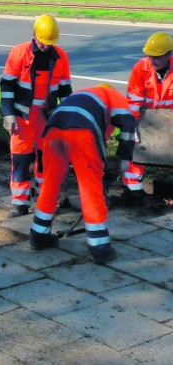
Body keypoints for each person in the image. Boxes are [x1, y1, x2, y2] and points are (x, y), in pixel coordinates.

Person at [29, 84, 137, 264]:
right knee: (90, 187)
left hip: (53, 130)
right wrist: (124, 159)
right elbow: (128, 124)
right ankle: (100, 247)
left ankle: (38, 235)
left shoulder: (84, 95)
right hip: (81, 133)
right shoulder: (113, 96)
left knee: (50, 183)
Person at [0, 14, 73, 216]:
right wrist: (8, 114)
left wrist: (67, 116)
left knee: (47, 158)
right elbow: (7, 85)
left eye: (50, 43)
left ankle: (45, 198)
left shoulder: (61, 56)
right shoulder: (19, 52)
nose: (45, 46)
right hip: (23, 115)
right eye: (43, 42)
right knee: (21, 158)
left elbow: (65, 89)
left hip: (47, 116)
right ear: (35, 36)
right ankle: (20, 202)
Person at [119, 31, 173, 205]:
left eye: (156, 57)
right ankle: (133, 190)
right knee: (134, 148)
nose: (152, 60)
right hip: (145, 120)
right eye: (150, 56)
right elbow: (133, 101)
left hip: (169, 120)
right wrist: (130, 127)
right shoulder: (141, 68)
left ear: (169, 55)